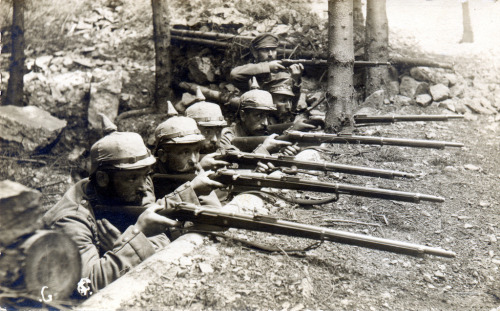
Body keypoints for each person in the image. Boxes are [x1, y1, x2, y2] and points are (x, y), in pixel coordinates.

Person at [42, 128, 194, 295]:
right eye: (132, 178)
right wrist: (138, 232)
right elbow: (86, 286)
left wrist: (122, 244)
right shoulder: (71, 220)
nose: (144, 187)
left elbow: (161, 241)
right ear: (102, 178)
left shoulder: (124, 195)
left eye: (146, 176)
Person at [152, 116, 224, 207]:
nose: (194, 160)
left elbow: (214, 208)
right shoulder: (146, 177)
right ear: (163, 155)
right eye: (186, 152)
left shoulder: (195, 170)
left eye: (197, 151)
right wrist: (191, 190)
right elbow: (147, 214)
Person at [219, 78, 300, 157]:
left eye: (267, 116)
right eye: (259, 116)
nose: (265, 123)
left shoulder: (265, 134)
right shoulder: (226, 137)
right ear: (243, 115)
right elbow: (233, 164)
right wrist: (264, 149)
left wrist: (281, 153)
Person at [230, 33, 303, 96]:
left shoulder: (282, 77)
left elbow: (291, 106)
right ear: (255, 53)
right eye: (265, 50)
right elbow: (234, 74)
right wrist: (268, 66)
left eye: (273, 50)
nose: (270, 54)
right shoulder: (248, 74)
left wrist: (295, 81)